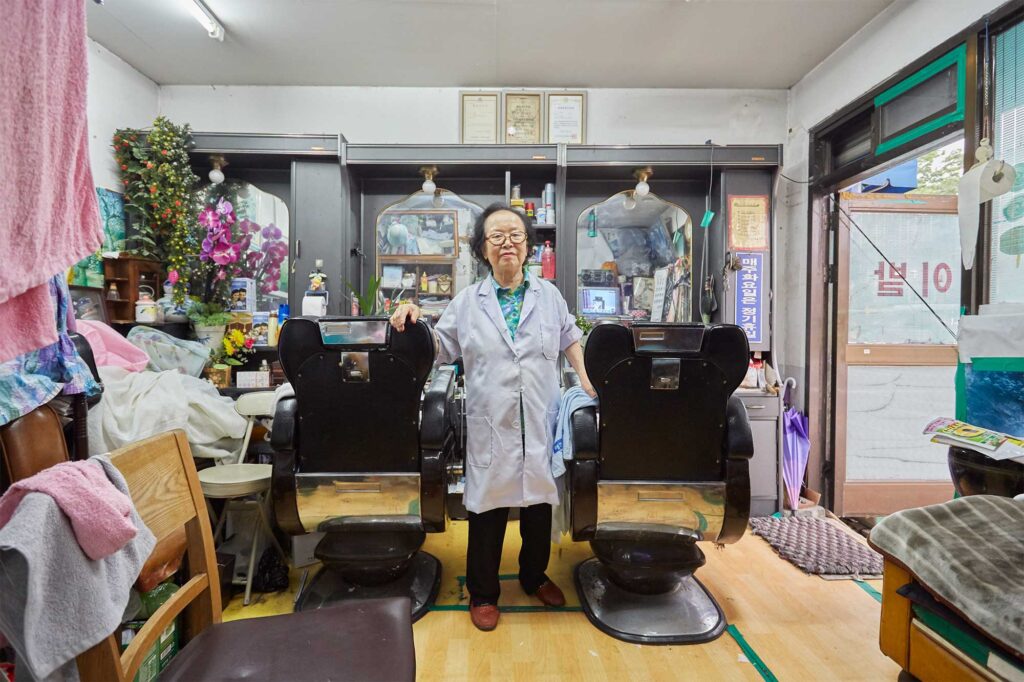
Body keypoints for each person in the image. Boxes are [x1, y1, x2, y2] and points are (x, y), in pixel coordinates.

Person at [390, 204, 596, 632]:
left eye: (516, 236)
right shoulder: (467, 303)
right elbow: (438, 349)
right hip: (492, 425)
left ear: (528, 246)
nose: (507, 243)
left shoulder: (550, 296)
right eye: (497, 236)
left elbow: (571, 340)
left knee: (539, 509)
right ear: (483, 249)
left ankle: (533, 576)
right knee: (488, 513)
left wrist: (589, 383)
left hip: (539, 421)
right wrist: (411, 319)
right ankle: (483, 593)